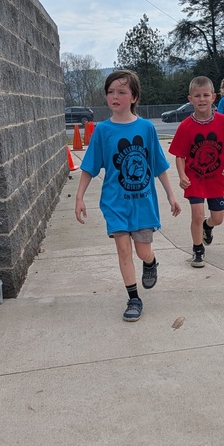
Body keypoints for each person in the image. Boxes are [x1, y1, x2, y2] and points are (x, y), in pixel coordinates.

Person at [75, 69, 181, 322]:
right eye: (110, 92)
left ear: (133, 97)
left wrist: (171, 195)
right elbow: (89, 166)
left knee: (143, 251)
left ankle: (151, 262)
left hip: (143, 204)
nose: (115, 96)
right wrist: (79, 197)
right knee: (123, 250)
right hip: (115, 203)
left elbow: (158, 165)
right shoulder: (102, 131)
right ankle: (134, 298)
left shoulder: (145, 128)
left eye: (121, 92)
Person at [169, 75, 224, 268]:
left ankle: (208, 228)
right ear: (190, 99)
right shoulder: (185, 127)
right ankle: (198, 249)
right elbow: (179, 155)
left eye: (206, 95)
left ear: (214, 97)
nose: (202, 99)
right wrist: (182, 175)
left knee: (217, 218)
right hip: (195, 179)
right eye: (197, 96)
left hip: (216, 179)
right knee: (197, 215)